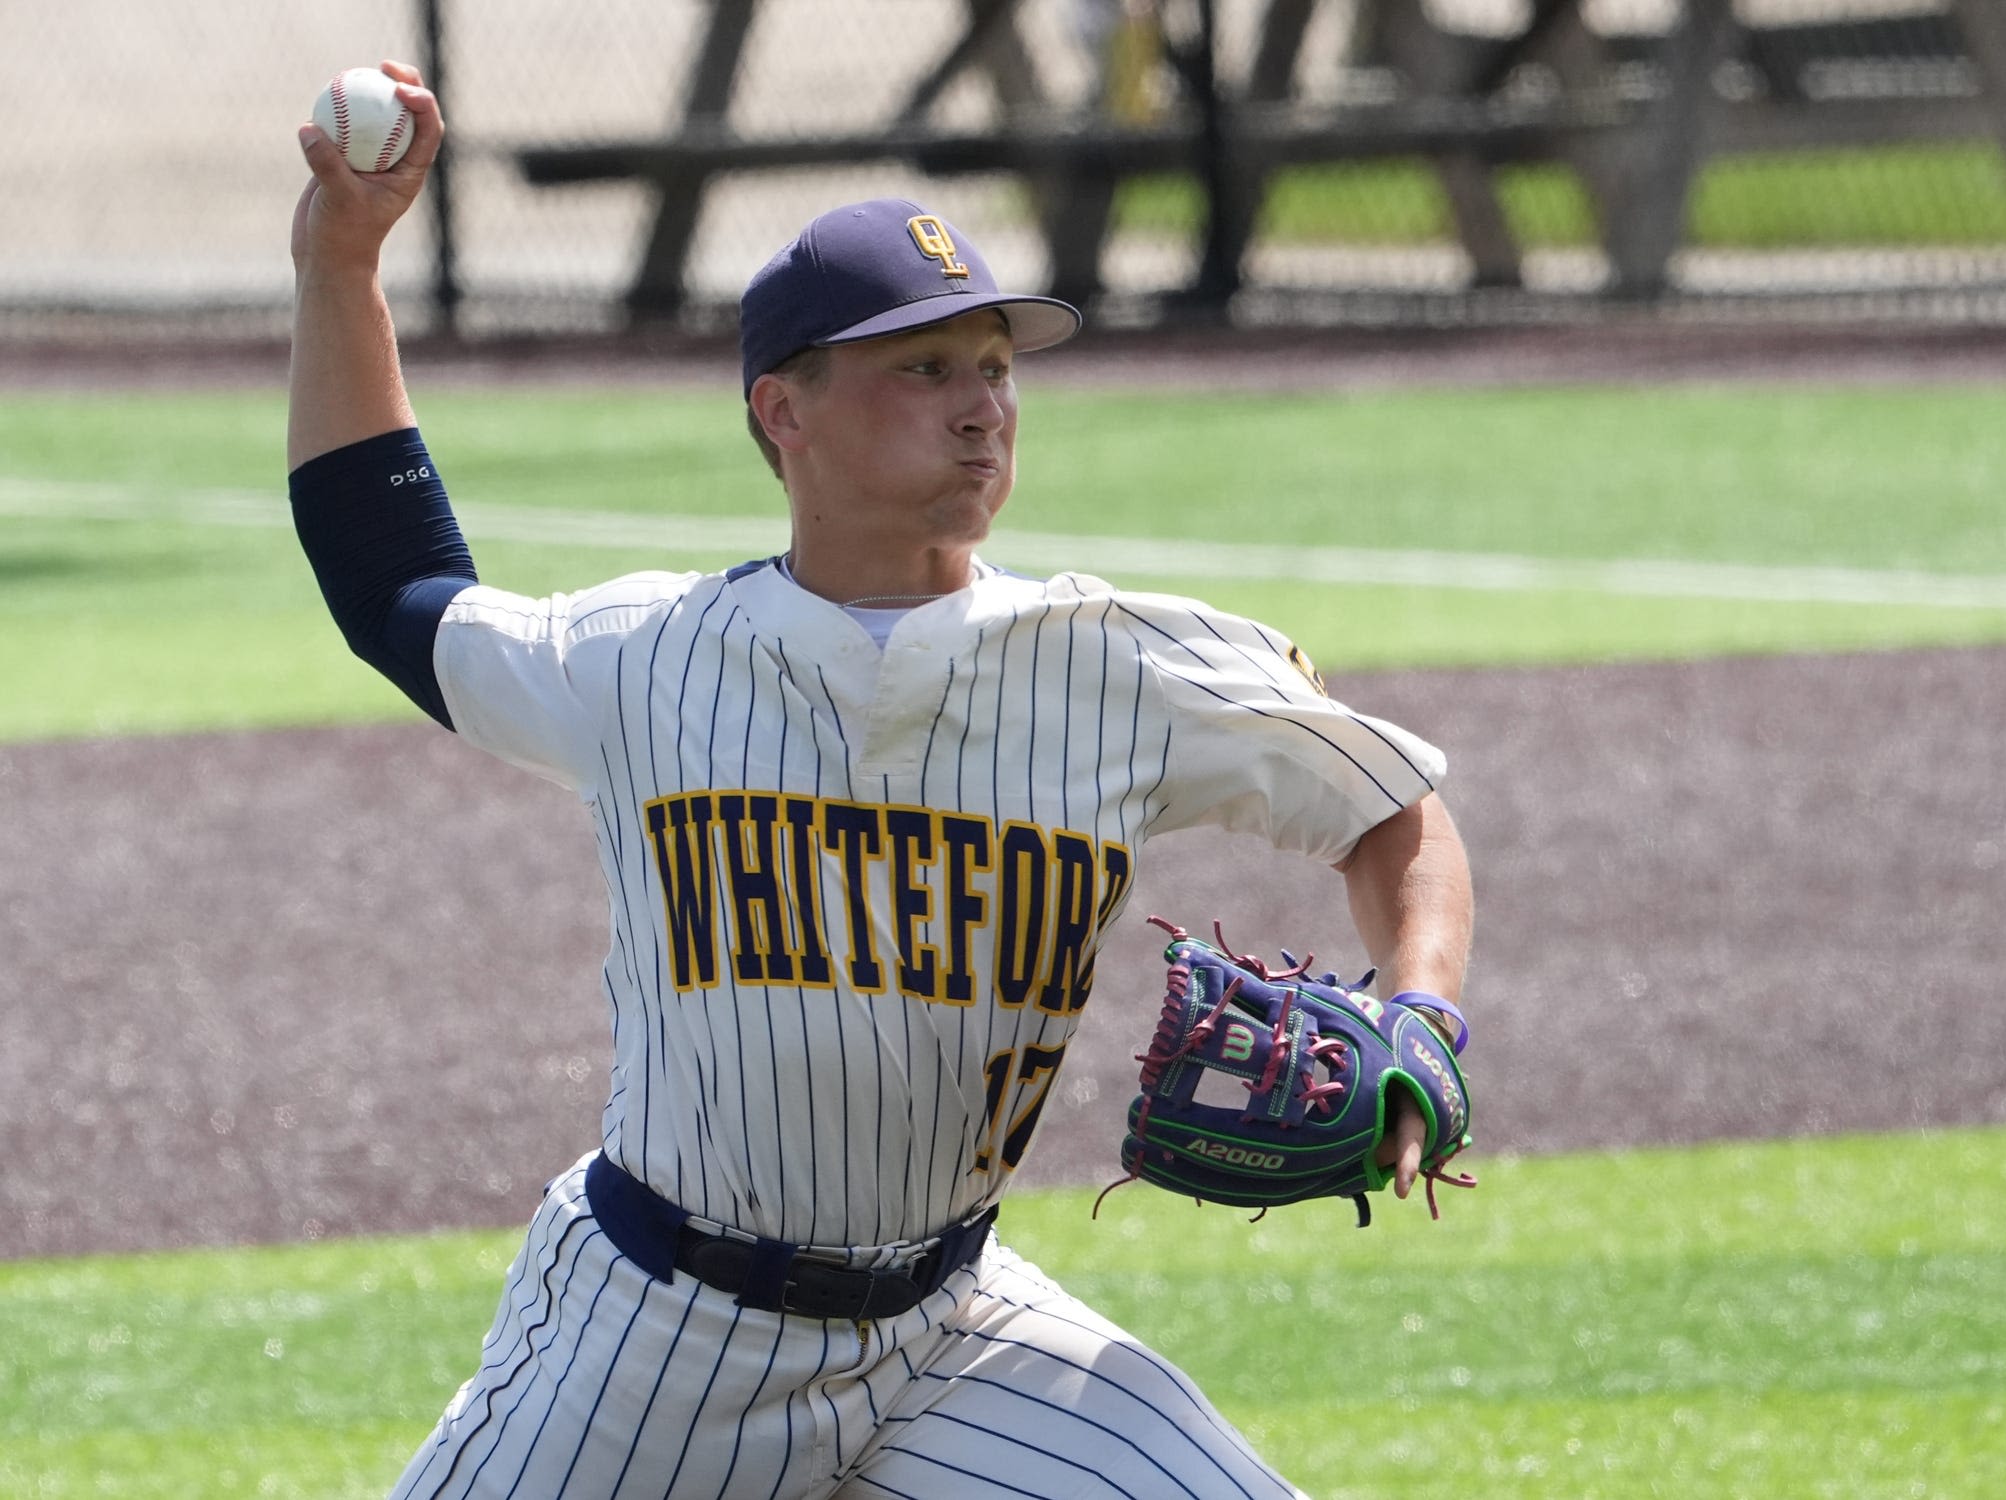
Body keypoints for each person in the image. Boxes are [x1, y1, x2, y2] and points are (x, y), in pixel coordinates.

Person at [290, 61, 1474, 1500]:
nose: (982, 409)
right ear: (783, 410)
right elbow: (395, 588)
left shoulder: (1123, 664)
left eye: (995, 368)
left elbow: (1389, 808)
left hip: (951, 1330)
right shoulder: (643, 660)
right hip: (660, 1338)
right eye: (924, 369)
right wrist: (343, 261)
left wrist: (1418, 1003)